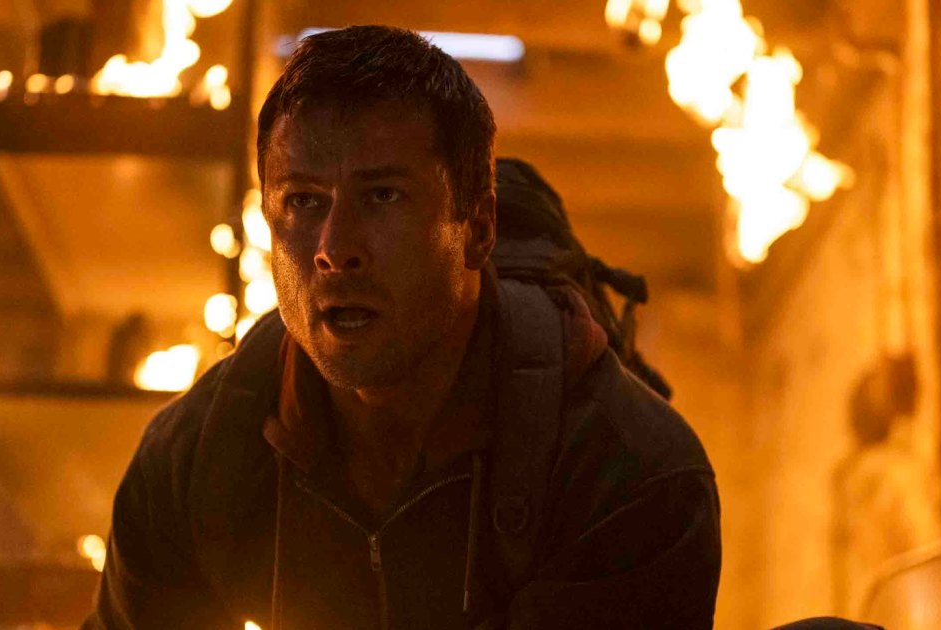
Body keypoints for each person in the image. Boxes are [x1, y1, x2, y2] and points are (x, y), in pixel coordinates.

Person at [85, 25, 721, 630]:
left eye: (383, 196)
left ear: (478, 229)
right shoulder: (194, 461)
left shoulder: (625, 470)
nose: (335, 249)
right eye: (303, 201)